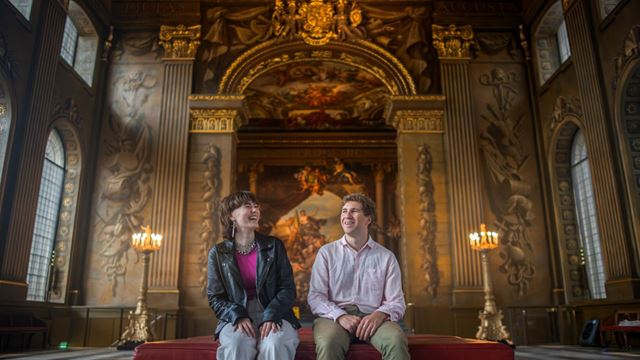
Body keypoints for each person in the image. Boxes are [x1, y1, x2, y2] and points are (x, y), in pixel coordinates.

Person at [308, 193, 409, 360]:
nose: (347, 215)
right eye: (344, 211)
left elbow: (396, 301)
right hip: (333, 318)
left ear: (368, 219)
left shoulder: (386, 257)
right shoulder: (327, 253)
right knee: (329, 342)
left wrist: (379, 315)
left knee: (396, 340)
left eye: (354, 211)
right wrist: (340, 316)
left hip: (374, 317)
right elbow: (316, 297)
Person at [207, 191, 300, 360]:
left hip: (275, 310)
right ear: (231, 216)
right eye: (247, 206)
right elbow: (215, 297)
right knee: (237, 344)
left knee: (275, 343)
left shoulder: (274, 245)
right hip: (237, 314)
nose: (255, 210)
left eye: (256, 206)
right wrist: (238, 315)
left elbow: (287, 288)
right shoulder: (218, 253)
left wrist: (272, 314)